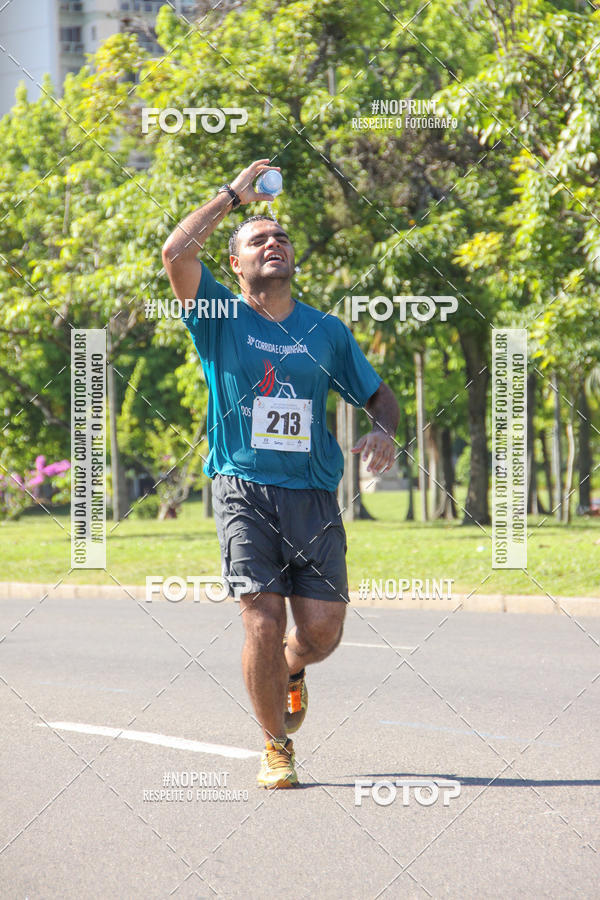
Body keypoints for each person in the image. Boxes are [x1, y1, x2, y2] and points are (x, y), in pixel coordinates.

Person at [162, 159, 400, 789]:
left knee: (321, 633)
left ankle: (295, 666)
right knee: (261, 620)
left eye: (281, 237)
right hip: (242, 487)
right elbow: (176, 252)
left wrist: (384, 430)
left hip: (313, 494)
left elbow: (379, 396)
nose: (273, 243)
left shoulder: (325, 331)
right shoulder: (219, 315)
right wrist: (231, 197)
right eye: (258, 239)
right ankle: (276, 745)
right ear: (235, 264)